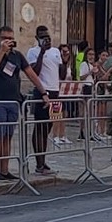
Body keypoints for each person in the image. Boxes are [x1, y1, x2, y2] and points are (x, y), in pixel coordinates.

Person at [0, 25, 52, 177]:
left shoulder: (17, 55)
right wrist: (2, 52)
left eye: (10, 38)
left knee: (8, 136)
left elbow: (30, 73)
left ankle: (5, 169)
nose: (8, 41)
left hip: (13, 100)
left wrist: (43, 92)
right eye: (5, 38)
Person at [25, 25, 64, 160]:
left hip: (54, 92)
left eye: (47, 37)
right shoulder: (32, 52)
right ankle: (39, 161)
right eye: (42, 37)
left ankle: (43, 158)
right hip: (42, 91)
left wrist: (65, 60)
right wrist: (42, 52)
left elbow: (61, 73)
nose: (46, 39)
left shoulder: (55, 51)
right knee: (40, 127)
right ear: (37, 38)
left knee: (48, 127)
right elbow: (34, 72)